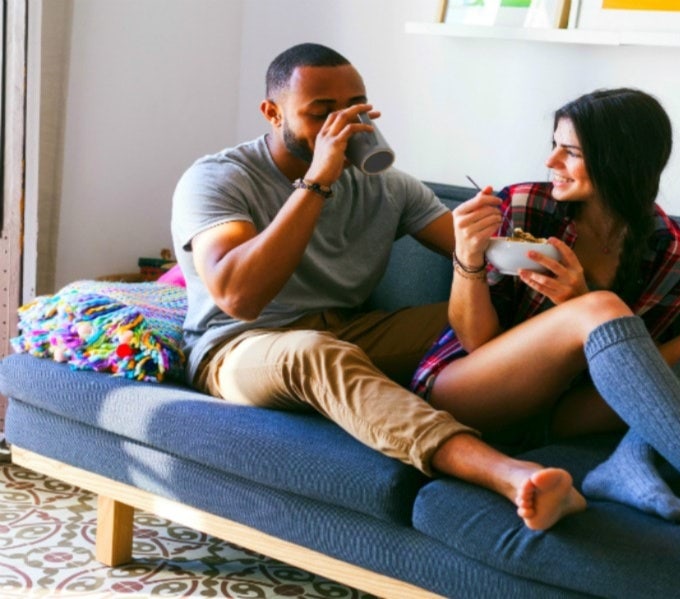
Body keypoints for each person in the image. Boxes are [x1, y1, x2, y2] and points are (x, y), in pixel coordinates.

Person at [170, 43, 585, 531]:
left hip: (349, 330)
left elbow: (483, 258)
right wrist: (317, 180)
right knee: (314, 352)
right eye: (321, 112)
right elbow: (240, 297)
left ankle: (569, 432)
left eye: (355, 107)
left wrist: (546, 260)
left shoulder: (387, 185)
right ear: (271, 112)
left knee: (489, 313)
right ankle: (510, 474)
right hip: (239, 349)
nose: (342, 123)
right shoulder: (218, 179)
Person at [412, 88, 680, 525]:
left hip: (567, 409)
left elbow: (633, 379)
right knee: (600, 308)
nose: (551, 162)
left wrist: (581, 304)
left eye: (571, 152)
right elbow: (475, 340)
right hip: (468, 391)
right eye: (554, 146)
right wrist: (467, 257)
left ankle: (633, 459)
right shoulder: (522, 207)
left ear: (620, 159)